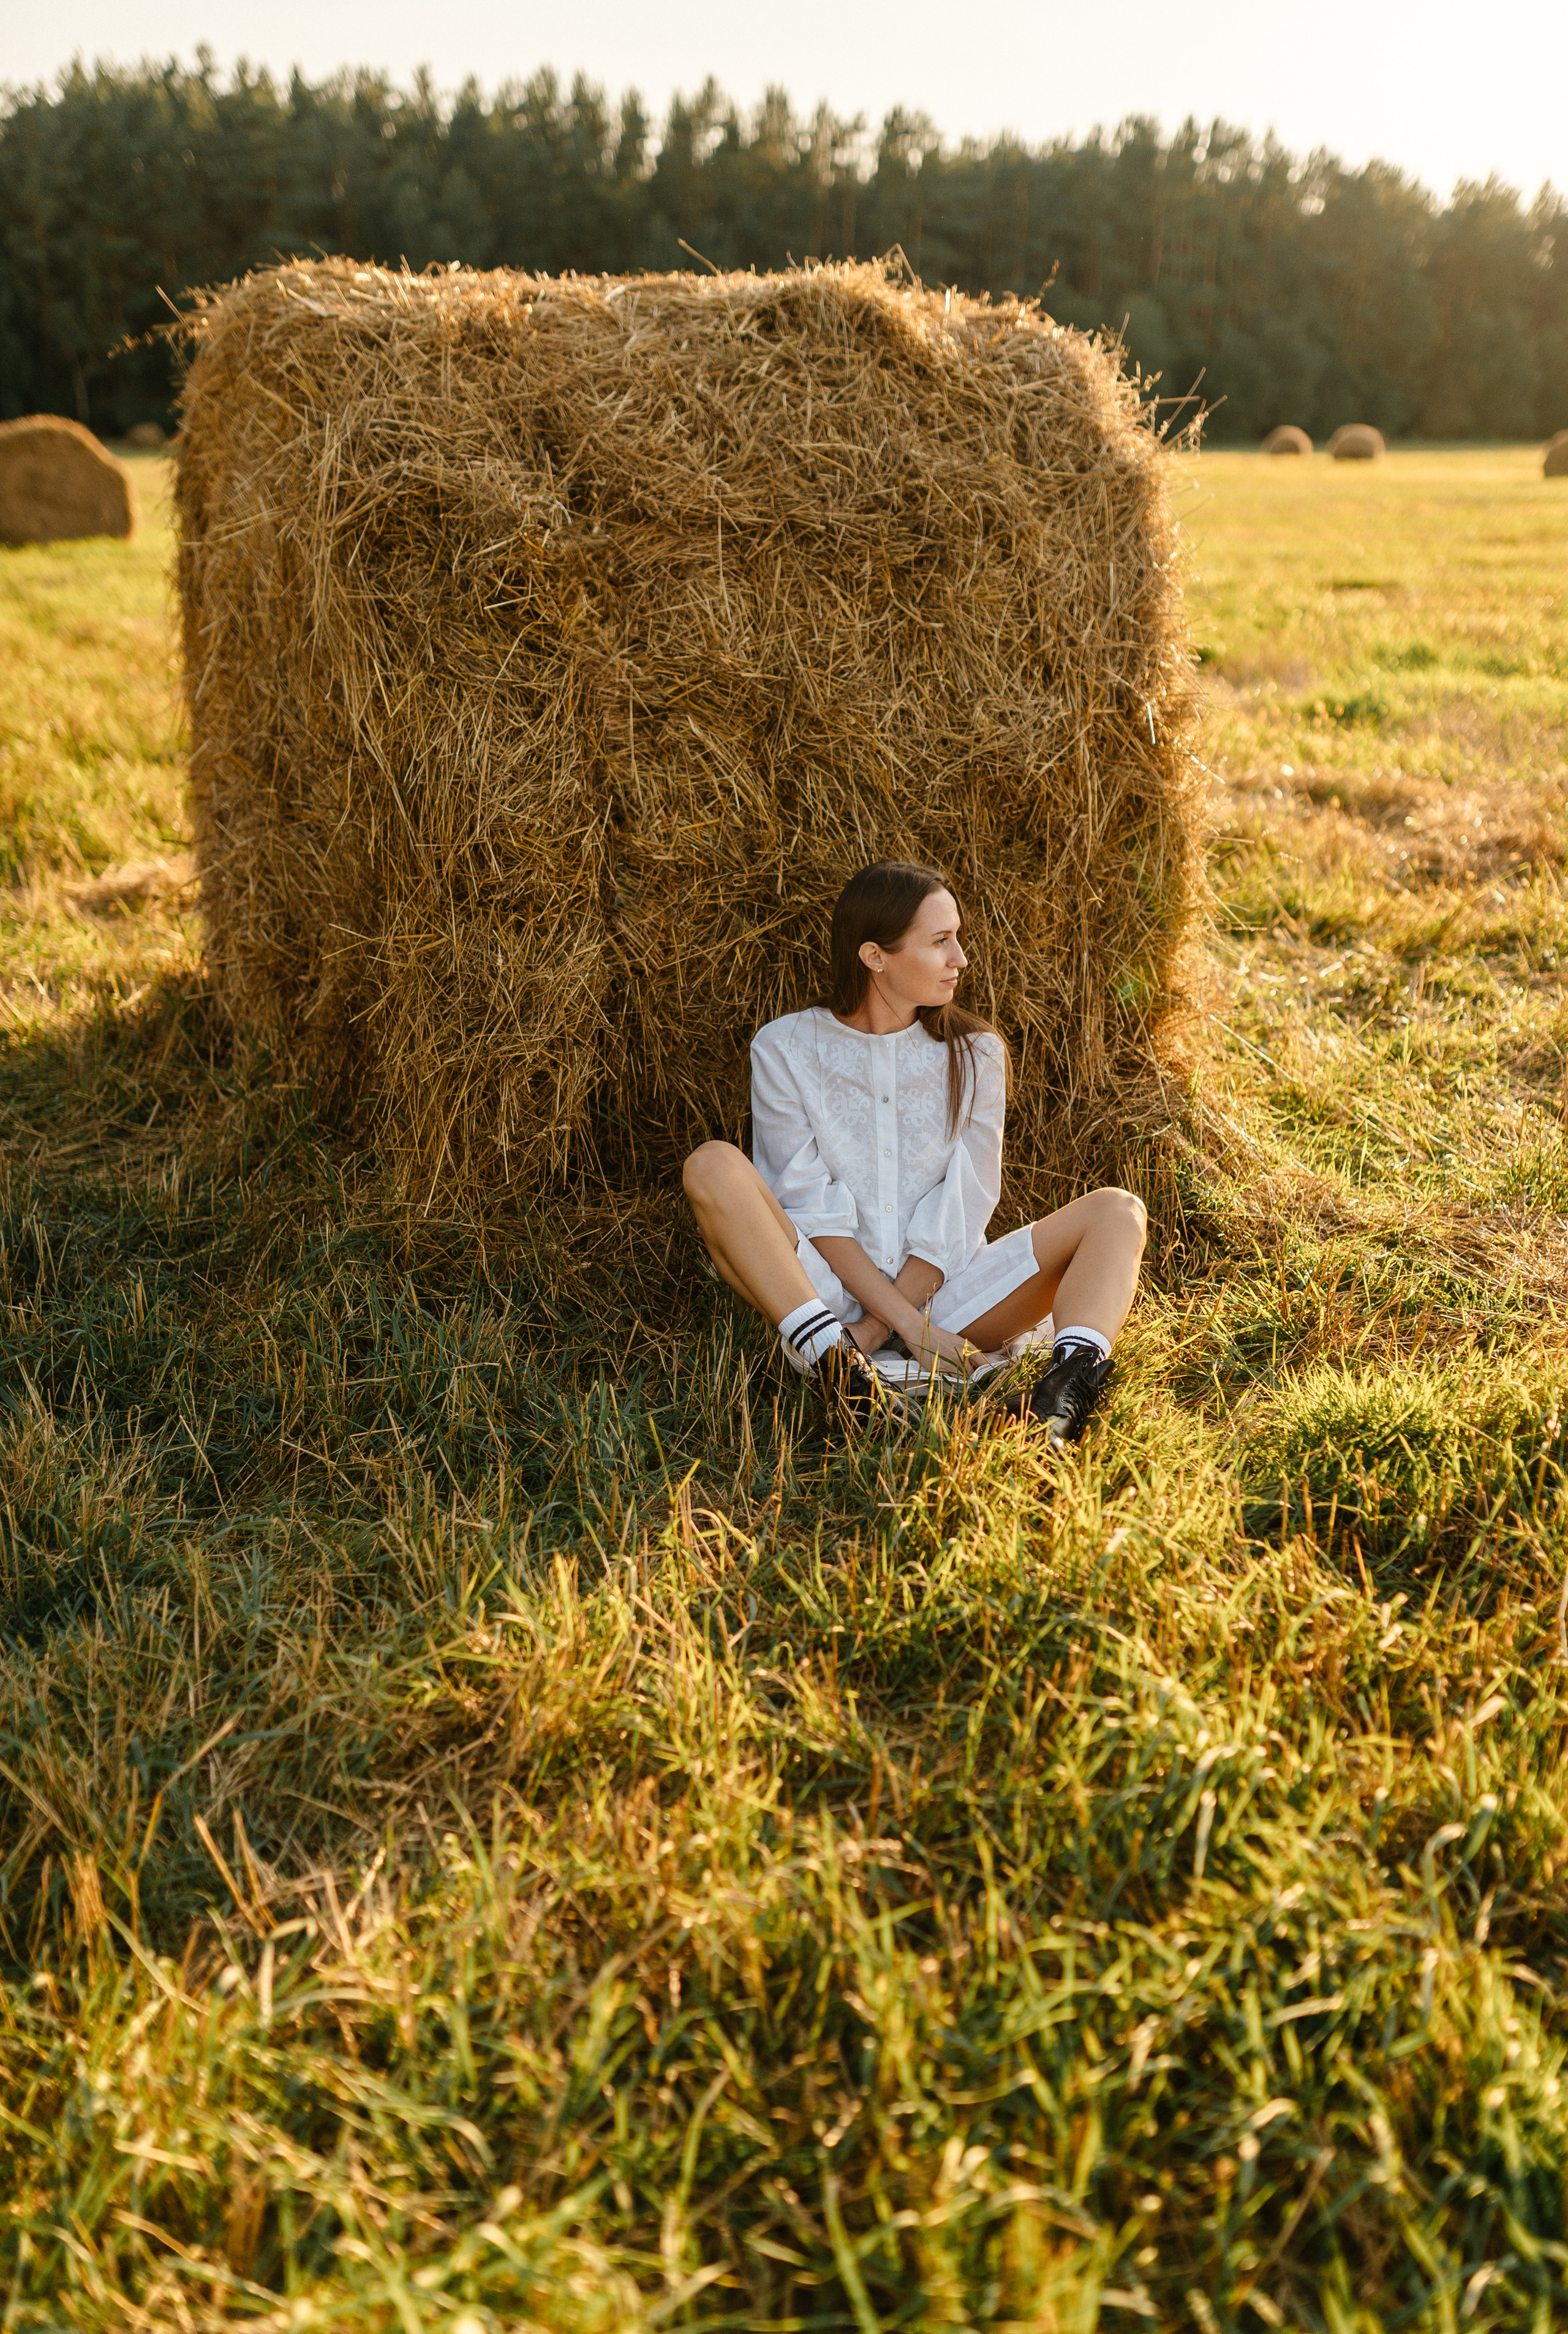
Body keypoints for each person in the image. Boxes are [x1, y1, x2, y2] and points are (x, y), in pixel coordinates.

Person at [682, 860, 1147, 1442]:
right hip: (818, 1295)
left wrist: (906, 1324)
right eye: (940, 941)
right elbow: (806, 1206)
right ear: (875, 956)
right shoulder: (784, 1048)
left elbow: (965, 1204)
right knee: (712, 1164)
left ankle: (1062, 1398)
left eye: (958, 937)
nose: (961, 958)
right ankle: (841, 1375)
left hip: (951, 1297)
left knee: (1118, 1211)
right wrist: (895, 1328)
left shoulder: (976, 1053)